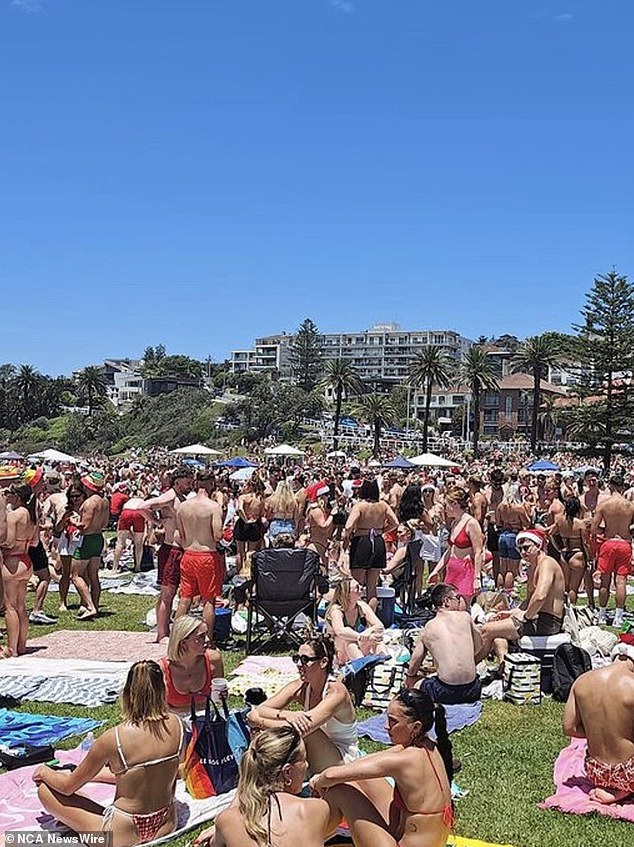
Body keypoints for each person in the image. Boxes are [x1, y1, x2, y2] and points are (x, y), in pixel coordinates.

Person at [33, 660, 183, 846]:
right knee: (79, 795)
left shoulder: (115, 739)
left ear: (128, 692)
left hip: (119, 835)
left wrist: (44, 772)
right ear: (163, 689)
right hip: (166, 823)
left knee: (46, 790)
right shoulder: (178, 725)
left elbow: (67, 787)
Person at [310, 688, 453, 847]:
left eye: (393, 721)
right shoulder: (428, 746)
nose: (386, 726)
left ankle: (306, 839)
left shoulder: (405, 760)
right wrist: (333, 776)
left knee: (340, 791)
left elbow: (330, 776)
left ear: (416, 727)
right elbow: (365, 763)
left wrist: (319, 780)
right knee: (359, 780)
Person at [193, 726, 343, 847]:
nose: (307, 765)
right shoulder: (315, 809)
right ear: (288, 772)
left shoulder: (227, 821)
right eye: (304, 760)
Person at [247, 634, 359, 772]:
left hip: (341, 759)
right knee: (272, 733)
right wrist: (287, 715)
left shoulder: (336, 692)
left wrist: (259, 722)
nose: (299, 664)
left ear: (323, 662)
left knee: (305, 731)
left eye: (305, 660)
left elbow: (302, 729)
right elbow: (261, 709)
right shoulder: (301, 686)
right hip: (315, 751)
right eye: (297, 659)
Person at [476, 529, 565, 664]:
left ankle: (467, 673)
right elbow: (529, 600)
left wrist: (525, 616)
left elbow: (540, 596)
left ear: (538, 545)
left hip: (547, 621)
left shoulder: (547, 564)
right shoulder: (532, 567)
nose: (523, 552)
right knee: (494, 627)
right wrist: (513, 612)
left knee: (486, 630)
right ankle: (503, 667)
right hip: (536, 616)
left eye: (526, 548)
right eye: (520, 549)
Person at [563, 641, 634, 805]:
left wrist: (599, 730)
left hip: (596, 773)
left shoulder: (582, 680)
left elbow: (569, 728)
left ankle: (613, 787)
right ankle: (621, 789)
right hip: (629, 774)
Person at [405, 583, 482, 703]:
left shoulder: (428, 628)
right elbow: (478, 645)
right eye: (457, 598)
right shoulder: (465, 617)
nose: (460, 601)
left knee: (415, 683)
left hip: (445, 692)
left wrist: (410, 678)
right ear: (446, 601)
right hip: (473, 690)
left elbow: (414, 663)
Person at [143, 468, 193, 641]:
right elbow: (144, 506)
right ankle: (162, 633)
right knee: (167, 593)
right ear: (177, 481)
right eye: (187, 482)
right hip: (171, 548)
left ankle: (164, 629)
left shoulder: (181, 498)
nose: (190, 486)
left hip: (180, 549)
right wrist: (157, 521)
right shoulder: (170, 496)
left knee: (173, 592)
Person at [175, 470, 224, 644]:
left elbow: (181, 536)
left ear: (196, 483)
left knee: (185, 598)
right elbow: (218, 535)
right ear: (211, 483)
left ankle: (177, 637)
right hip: (206, 555)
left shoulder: (183, 506)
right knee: (208, 600)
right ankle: (208, 639)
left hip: (188, 554)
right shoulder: (213, 507)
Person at [343, 479, 398, 605]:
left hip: (361, 542)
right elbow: (395, 522)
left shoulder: (360, 506)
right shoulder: (383, 505)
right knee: (372, 587)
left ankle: (356, 617)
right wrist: (382, 530)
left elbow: (348, 525)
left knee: (357, 585)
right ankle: (371, 617)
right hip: (378, 541)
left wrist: (347, 537)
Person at [591, 474, 634, 627]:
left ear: (610, 487)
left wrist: (605, 532)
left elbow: (594, 528)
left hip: (608, 542)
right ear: (623, 487)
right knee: (621, 581)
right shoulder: (630, 506)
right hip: (624, 543)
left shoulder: (604, 505)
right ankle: (618, 617)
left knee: (605, 580)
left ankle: (602, 614)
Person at [159, 615, 224, 714]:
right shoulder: (162, 670)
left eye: (206, 634)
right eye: (201, 636)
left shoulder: (213, 659)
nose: (207, 639)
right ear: (183, 642)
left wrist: (221, 696)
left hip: (206, 717)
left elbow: (217, 700)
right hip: (175, 721)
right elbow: (159, 709)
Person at [1, 483, 38, 657]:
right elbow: (36, 542)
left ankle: (12, 648)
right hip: (26, 560)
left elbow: (8, 542)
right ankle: (22, 645)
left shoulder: (13, 516)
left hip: (13, 561)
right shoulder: (32, 516)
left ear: (16, 497)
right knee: (21, 606)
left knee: (10, 607)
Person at [430, 487, 484, 603]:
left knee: (463, 607)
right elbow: (450, 550)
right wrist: (436, 570)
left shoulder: (471, 523)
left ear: (455, 504)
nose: (445, 510)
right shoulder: (455, 522)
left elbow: (478, 552)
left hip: (466, 570)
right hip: (452, 569)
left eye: (446, 505)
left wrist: (477, 578)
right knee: (450, 606)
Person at [72, 471, 110, 620]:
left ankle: (89, 606)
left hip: (86, 539)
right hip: (98, 537)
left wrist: (72, 522)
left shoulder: (89, 503)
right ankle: (95, 604)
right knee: (93, 575)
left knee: (75, 576)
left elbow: (84, 526)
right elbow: (105, 523)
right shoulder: (105, 501)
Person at [325, 578, 385, 663]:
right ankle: (362, 666)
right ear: (347, 593)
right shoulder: (336, 610)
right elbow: (340, 632)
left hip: (356, 646)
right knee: (349, 639)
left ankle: (384, 662)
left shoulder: (361, 606)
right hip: (339, 653)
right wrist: (360, 636)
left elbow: (380, 626)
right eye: (357, 587)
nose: (361, 588)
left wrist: (368, 632)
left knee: (377, 638)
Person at [549, 497, 590, 606]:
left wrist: (558, 547)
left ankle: (564, 609)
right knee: (574, 588)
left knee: (566, 587)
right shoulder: (580, 524)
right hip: (577, 554)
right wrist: (589, 557)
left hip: (564, 554)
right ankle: (571, 610)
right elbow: (585, 543)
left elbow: (551, 534)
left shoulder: (560, 520)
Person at [54, 484, 86, 612]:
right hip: (67, 541)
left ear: (83, 495)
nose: (74, 499)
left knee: (81, 574)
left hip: (81, 541)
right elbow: (58, 528)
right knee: (65, 573)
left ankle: (84, 601)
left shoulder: (87, 508)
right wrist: (64, 518)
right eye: (72, 496)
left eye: (77, 496)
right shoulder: (66, 509)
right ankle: (63, 602)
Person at [495, 486, 530, 590]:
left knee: (503, 568)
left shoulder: (500, 506)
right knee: (512, 569)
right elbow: (527, 523)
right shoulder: (518, 508)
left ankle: (499, 590)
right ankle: (508, 592)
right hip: (513, 535)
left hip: (502, 535)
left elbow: (498, 523)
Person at [234, 477, 266, 572]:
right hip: (254, 523)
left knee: (240, 552)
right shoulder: (260, 499)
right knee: (251, 552)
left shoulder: (243, 497)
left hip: (242, 524)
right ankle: (247, 573)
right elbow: (261, 513)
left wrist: (245, 520)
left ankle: (239, 573)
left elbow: (239, 509)